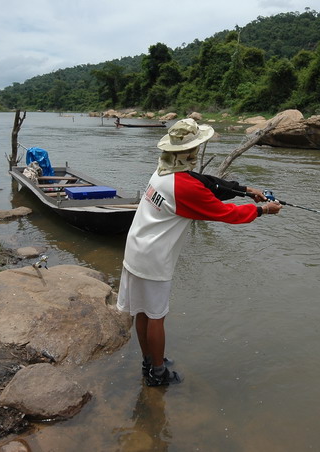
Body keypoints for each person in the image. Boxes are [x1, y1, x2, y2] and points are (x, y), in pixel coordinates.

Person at [117, 118, 283, 387]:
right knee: (156, 316)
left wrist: (244, 190)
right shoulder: (183, 188)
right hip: (154, 259)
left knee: (142, 311)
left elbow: (205, 182)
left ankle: (149, 360)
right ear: (190, 152)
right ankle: (157, 374)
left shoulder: (163, 171)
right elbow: (225, 214)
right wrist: (263, 209)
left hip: (136, 248)